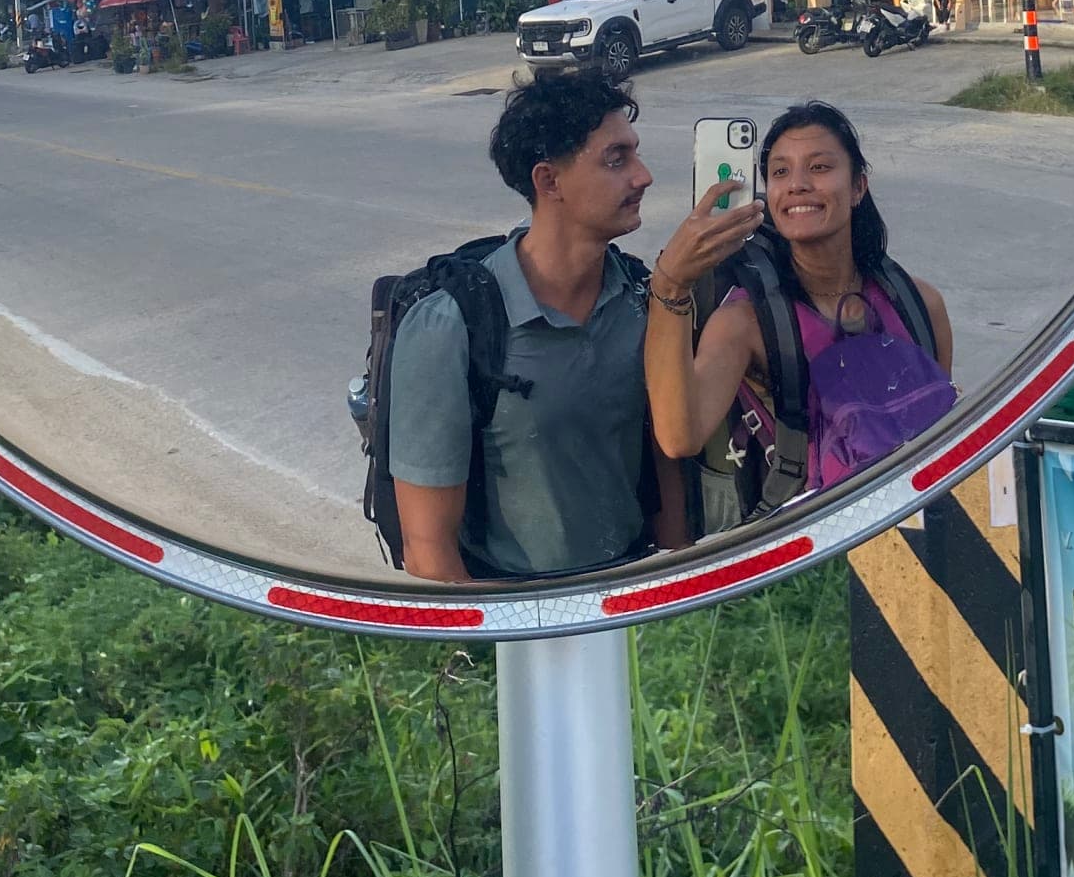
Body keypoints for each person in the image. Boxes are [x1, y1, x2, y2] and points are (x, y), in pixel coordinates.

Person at [388, 69, 674, 582]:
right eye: (616, 159)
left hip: (634, 586)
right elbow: (428, 551)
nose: (643, 176)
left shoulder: (640, 297)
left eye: (636, 153)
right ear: (549, 181)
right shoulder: (453, 325)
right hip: (519, 603)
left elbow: (668, 467)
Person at [644, 100, 954, 517]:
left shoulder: (920, 306)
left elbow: (941, 439)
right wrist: (671, 284)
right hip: (814, 539)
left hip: (918, 522)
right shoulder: (748, 323)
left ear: (858, 187)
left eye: (820, 167)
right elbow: (680, 437)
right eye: (780, 172)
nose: (797, 185)